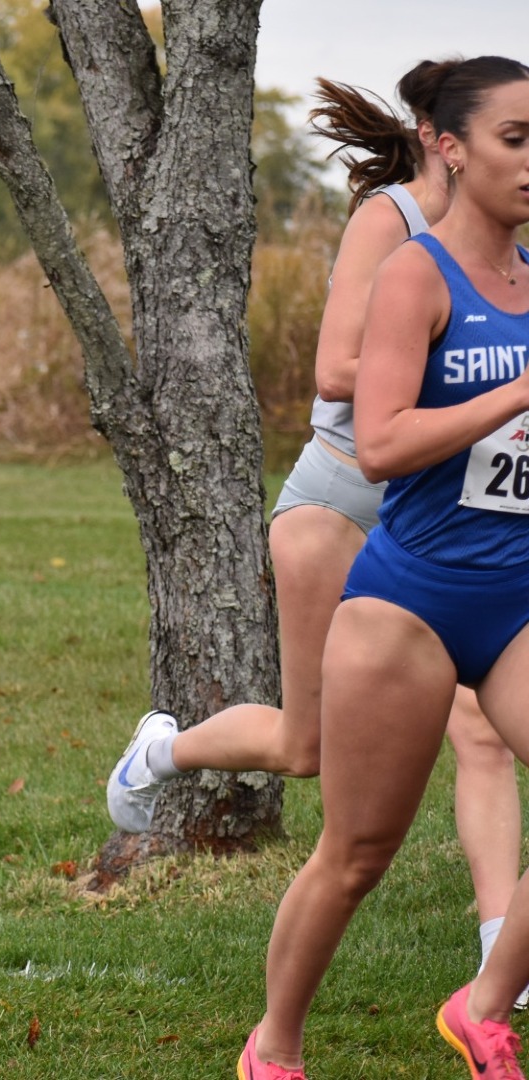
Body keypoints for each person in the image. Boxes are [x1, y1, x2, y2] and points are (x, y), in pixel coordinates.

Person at [107, 68, 527, 999]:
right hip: (345, 500)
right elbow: (342, 367)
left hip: (462, 515)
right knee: (307, 750)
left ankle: (502, 955)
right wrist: (432, 358)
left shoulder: (512, 258)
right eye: (511, 132)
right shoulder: (396, 224)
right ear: (444, 138)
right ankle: (162, 751)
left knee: (485, 734)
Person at [229, 56, 529, 1080]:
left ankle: (483, 1008)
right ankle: (274, 1046)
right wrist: (518, 392)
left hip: (517, 601)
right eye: (515, 140)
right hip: (409, 607)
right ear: (449, 146)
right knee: (356, 855)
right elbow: (385, 442)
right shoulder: (417, 272)